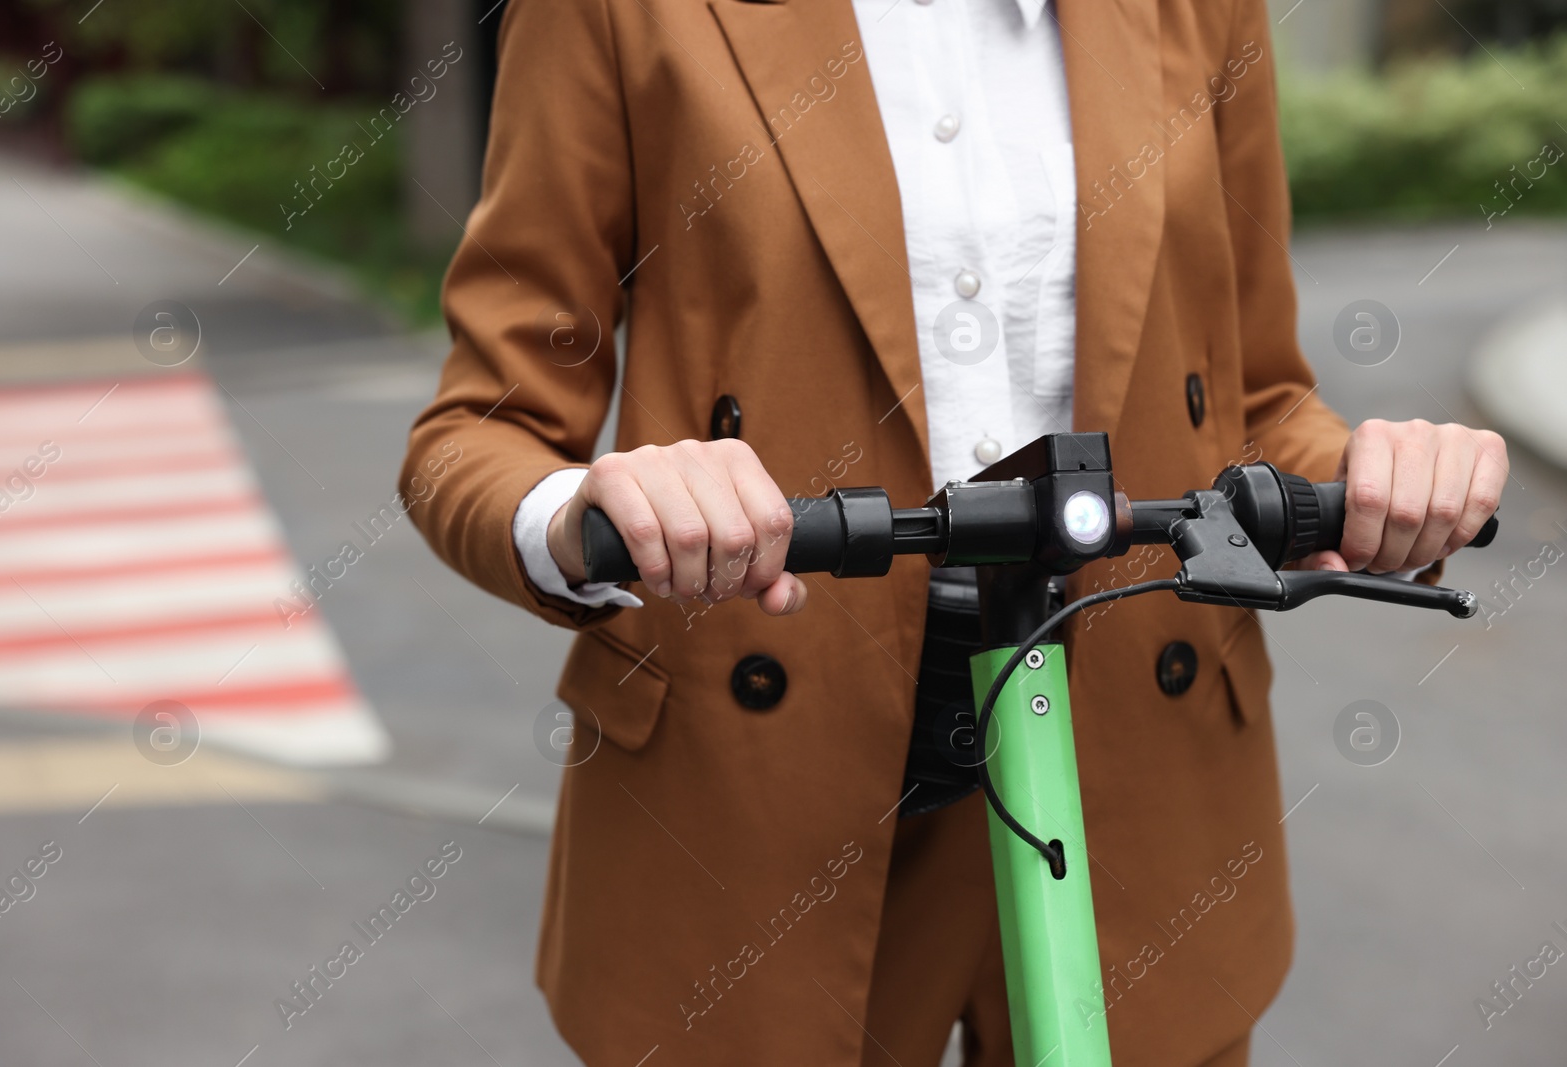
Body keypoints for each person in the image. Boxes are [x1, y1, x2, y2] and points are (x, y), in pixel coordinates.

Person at [400, 0, 1508, 1062]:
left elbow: (1256, 395)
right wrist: (594, 508)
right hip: (769, 765)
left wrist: (1378, 478)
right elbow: (478, 430)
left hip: (1135, 741)